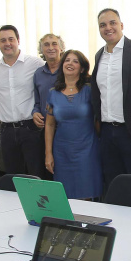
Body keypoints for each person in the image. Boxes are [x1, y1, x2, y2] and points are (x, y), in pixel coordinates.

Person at [90, 8, 131, 193]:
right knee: (113, 185)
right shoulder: (99, 55)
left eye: (112, 23)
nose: (108, 28)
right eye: (103, 25)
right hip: (107, 133)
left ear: (121, 25)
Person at [44, 50, 103, 199]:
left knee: (88, 193)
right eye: (67, 60)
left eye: (75, 61)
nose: (70, 63)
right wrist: (48, 154)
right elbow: (49, 125)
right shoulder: (53, 93)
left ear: (82, 68)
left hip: (87, 151)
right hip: (61, 152)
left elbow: (98, 121)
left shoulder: (90, 90)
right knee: (65, 196)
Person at [0, 25, 45, 177]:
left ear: (18, 40)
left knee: (36, 174)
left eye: (11, 39)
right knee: (12, 176)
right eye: (3, 40)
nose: (7, 43)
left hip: (31, 129)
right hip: (6, 130)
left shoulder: (35, 63)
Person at [32, 33, 65, 180]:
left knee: (65, 174)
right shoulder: (38, 73)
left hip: (66, 131)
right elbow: (37, 101)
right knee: (46, 172)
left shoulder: (70, 69)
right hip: (45, 131)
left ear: (61, 48)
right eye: (46, 45)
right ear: (42, 50)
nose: (51, 48)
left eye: (54, 44)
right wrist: (35, 112)